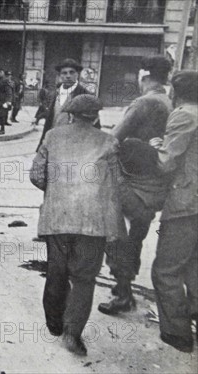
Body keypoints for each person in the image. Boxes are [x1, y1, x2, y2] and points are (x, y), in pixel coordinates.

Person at [30, 94, 123, 356]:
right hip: (92, 222)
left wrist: (58, 191)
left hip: (57, 218)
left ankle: (54, 324)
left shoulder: (53, 136)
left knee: (56, 271)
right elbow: (116, 186)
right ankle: (72, 334)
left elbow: (36, 175)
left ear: (69, 115)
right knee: (84, 278)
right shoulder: (109, 141)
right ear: (95, 117)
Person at [98, 56, 173, 316]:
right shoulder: (170, 102)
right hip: (157, 186)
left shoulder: (144, 102)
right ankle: (124, 288)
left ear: (144, 76)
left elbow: (113, 138)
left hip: (132, 182)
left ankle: (123, 292)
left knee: (115, 234)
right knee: (135, 238)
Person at [145, 70, 198, 353]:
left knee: (166, 270)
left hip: (185, 204)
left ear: (177, 92)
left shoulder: (183, 115)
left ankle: (178, 332)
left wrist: (155, 148)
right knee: (194, 266)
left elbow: (166, 163)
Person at [36, 59, 96, 151]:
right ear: (60, 76)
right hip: (52, 144)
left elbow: (95, 126)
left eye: (72, 72)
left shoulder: (86, 96)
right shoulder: (53, 94)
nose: (68, 76)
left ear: (78, 74)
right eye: (64, 73)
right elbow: (49, 122)